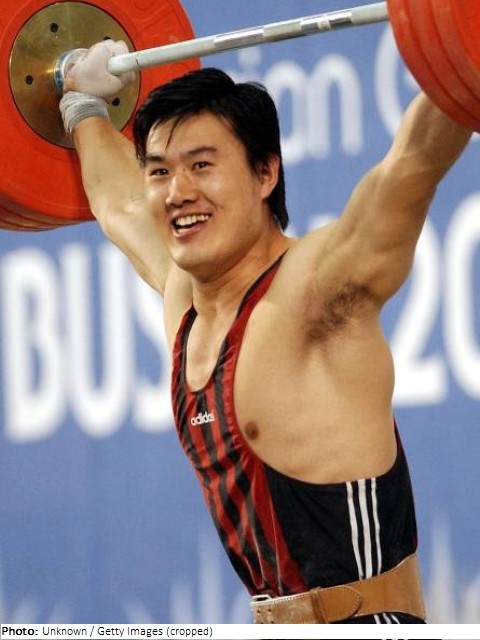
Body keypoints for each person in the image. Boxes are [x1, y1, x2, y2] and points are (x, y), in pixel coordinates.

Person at [58, 39, 473, 624]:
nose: (177, 192)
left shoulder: (316, 288)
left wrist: (461, 52)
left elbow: (413, 164)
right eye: (161, 171)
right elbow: (119, 203)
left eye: (202, 166)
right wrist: (80, 102)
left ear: (265, 173)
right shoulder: (185, 298)